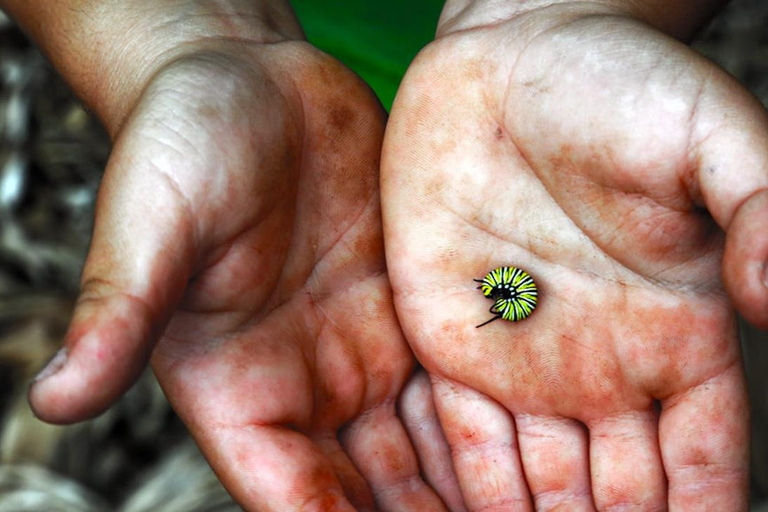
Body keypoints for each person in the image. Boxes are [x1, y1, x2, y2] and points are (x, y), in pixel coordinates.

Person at [1, 0, 765, 509]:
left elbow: (513, 297)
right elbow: (512, 297)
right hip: (312, 139)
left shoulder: (509, 284)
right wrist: (178, 38)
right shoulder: (504, 289)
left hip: (507, 116)